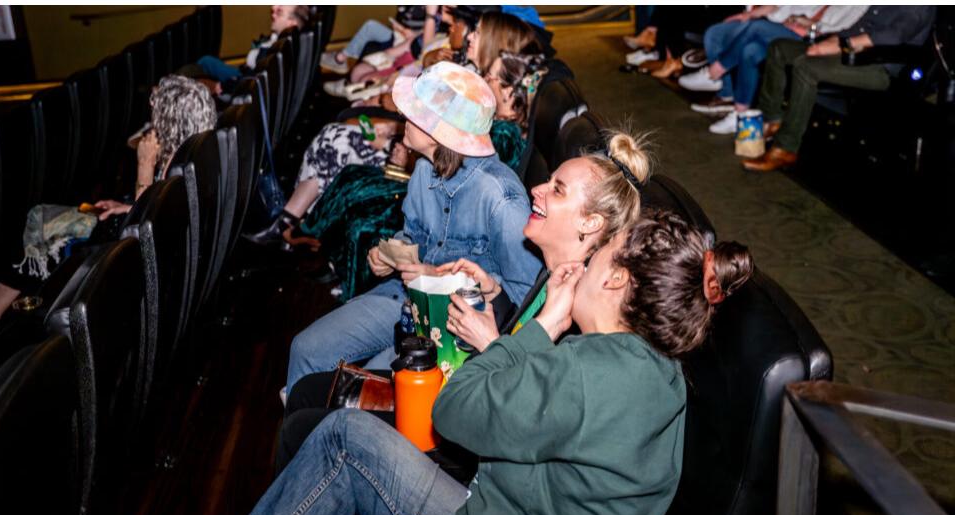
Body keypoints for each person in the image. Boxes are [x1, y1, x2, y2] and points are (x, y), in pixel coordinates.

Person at [220, 209, 754, 515]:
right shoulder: (660, 369)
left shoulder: (588, 373)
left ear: (616, 280)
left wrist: (544, 326)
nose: (585, 266)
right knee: (346, 434)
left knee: (342, 440)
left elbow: (454, 410)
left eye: (598, 257)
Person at [278, 128, 652, 478]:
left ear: (589, 223)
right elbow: (522, 334)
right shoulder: (555, 276)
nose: (536, 189)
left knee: (300, 427)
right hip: (464, 394)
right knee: (306, 391)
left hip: (466, 442)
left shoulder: (580, 307)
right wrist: (494, 293)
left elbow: (532, 414)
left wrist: (489, 342)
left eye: (557, 189)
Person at [284, 62, 542, 397]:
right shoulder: (423, 170)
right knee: (305, 349)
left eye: (415, 112)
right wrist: (391, 253)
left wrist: (434, 277)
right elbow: (414, 236)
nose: (404, 117)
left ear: (441, 132)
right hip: (404, 299)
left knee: (364, 388)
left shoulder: (500, 199)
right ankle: (302, 438)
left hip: (452, 331)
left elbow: (525, 301)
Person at [0, 75, 217, 335]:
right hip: (132, 230)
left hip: (128, 251)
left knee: (40, 220)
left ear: (171, 120)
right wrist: (126, 207)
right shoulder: (194, 155)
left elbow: (145, 231)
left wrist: (144, 167)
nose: (153, 121)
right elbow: (150, 213)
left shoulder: (173, 166)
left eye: (158, 115)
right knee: (47, 218)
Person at [743, 6, 936, 171]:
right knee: (780, 47)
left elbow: (896, 34)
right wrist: (832, 41)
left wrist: (843, 44)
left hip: (883, 67)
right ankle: (773, 119)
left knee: (807, 66)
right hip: (856, 55)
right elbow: (859, 26)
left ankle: (785, 148)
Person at [680, 6, 868, 134]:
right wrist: (795, 18)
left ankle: (713, 73)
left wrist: (809, 23)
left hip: (815, 41)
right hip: (788, 30)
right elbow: (789, 10)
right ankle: (740, 114)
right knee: (750, 51)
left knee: (756, 27)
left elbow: (844, 29)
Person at [243, 109, 404, 245]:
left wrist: (391, 146)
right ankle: (293, 220)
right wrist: (390, 129)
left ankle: (291, 221)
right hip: (393, 148)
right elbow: (351, 117)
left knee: (337, 142)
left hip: (403, 171)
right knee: (332, 133)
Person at [195, 5, 309, 88]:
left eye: (279, 12)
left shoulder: (279, 49)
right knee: (205, 62)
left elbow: (253, 80)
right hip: (244, 72)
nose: (272, 13)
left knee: (205, 62)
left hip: (242, 79)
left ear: (292, 23)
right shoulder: (283, 40)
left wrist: (222, 87)